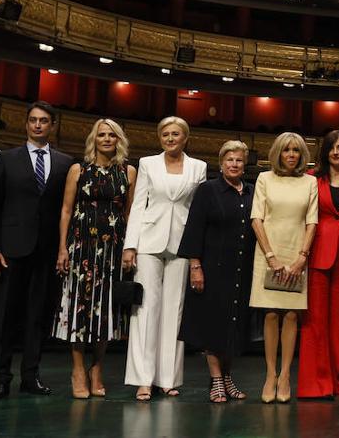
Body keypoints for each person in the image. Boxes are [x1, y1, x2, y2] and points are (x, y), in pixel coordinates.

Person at [0, 100, 73, 400]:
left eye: (44, 120)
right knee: (6, 316)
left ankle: (31, 376)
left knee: (38, 317)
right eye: (33, 119)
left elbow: (66, 209)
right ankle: (0, 378)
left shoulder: (65, 163)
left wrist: (63, 249)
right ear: (26, 123)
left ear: (52, 126)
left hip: (47, 251)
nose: (37, 125)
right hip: (10, 250)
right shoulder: (6, 159)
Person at [122, 116, 208, 401]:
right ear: (160, 138)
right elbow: (138, 205)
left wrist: (196, 251)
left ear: (185, 137)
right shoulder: (147, 163)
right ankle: (143, 380)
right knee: (145, 309)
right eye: (165, 134)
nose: (170, 138)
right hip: (148, 240)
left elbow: (198, 211)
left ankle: (168, 378)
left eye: (175, 134)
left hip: (182, 242)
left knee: (175, 309)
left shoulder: (198, 167)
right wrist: (130, 245)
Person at [53, 118, 136, 399]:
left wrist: (130, 248)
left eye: (112, 135)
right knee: (79, 306)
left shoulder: (128, 171)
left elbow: (129, 213)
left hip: (113, 248)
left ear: (119, 140)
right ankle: (78, 370)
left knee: (106, 310)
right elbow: (66, 210)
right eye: (102, 135)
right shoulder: (78, 169)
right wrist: (62, 248)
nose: (107, 139)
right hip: (81, 247)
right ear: (94, 139)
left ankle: (97, 369)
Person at [178, 140, 256, 403]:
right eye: (229, 159)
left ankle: (227, 376)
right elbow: (194, 228)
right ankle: (216, 379)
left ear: (245, 165)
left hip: (242, 268)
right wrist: (195, 266)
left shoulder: (252, 191)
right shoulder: (207, 190)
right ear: (221, 163)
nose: (234, 164)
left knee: (234, 324)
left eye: (239, 160)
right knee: (214, 324)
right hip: (212, 268)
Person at [250, 131, 319, 403]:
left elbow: (312, 221)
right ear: (278, 153)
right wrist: (270, 255)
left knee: (291, 315)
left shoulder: (310, 181)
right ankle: (270, 375)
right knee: (270, 314)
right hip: (268, 250)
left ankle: (286, 375)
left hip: (297, 251)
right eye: (287, 150)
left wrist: (302, 257)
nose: (291, 155)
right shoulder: (264, 178)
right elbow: (257, 219)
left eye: (296, 150)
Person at [299, 130, 339, 399]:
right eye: (331, 148)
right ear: (325, 152)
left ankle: (334, 382)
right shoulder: (312, 178)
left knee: (338, 323)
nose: (336, 152)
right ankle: (313, 384)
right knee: (314, 321)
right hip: (317, 252)